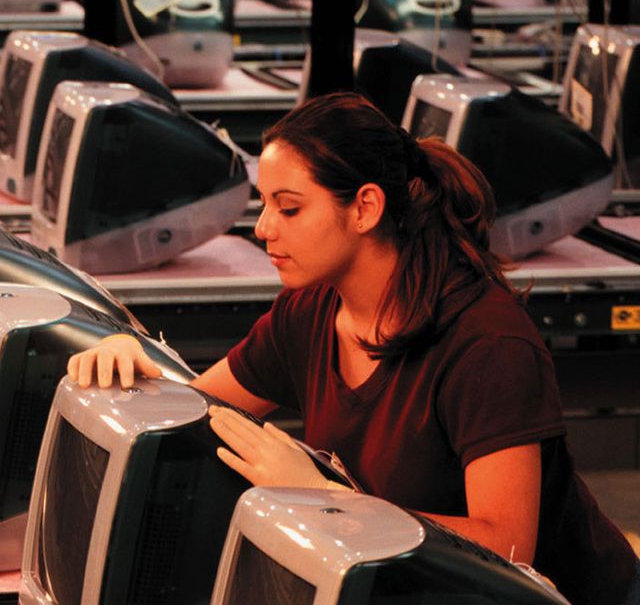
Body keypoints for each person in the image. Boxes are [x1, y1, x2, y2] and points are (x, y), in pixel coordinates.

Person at [66, 93, 639, 605]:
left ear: (364, 208)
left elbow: (508, 545)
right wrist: (133, 359)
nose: (263, 228)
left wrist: (329, 497)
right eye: (264, 205)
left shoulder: (487, 345)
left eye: (288, 208)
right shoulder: (312, 310)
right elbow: (203, 413)